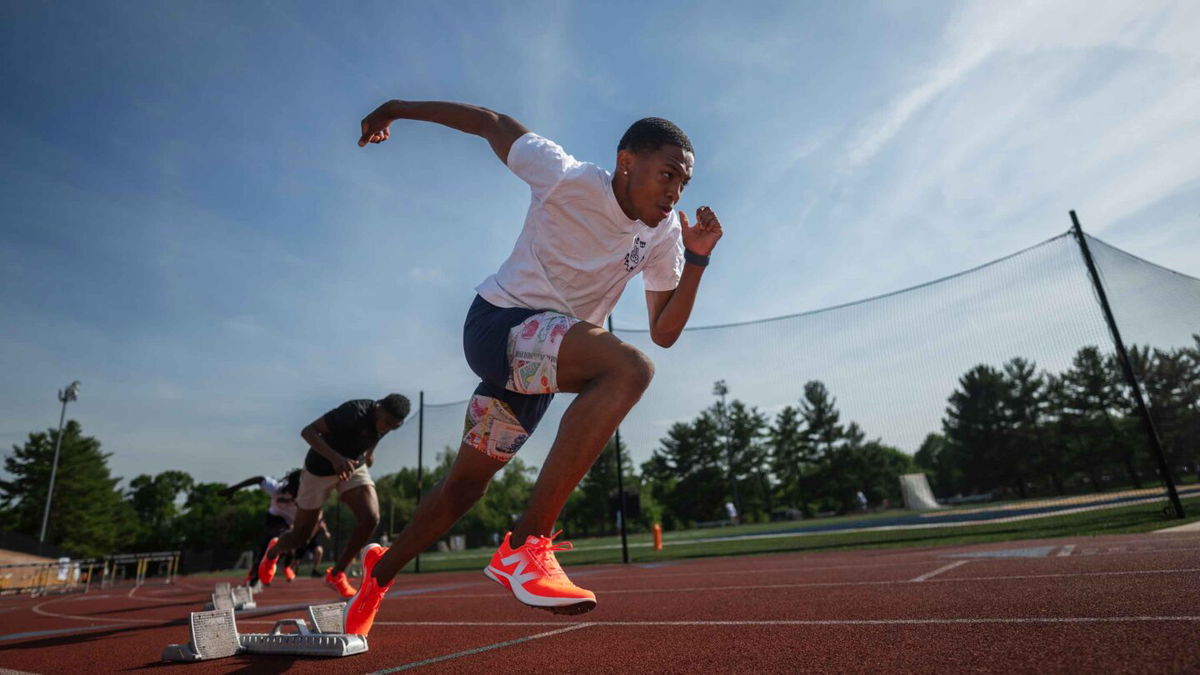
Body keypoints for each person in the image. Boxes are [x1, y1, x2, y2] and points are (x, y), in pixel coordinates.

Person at [344, 99, 724, 635]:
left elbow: (664, 330)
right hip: (500, 327)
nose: (674, 193)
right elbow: (491, 123)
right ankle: (526, 545)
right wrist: (395, 109)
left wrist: (699, 258)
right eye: (666, 175)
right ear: (626, 161)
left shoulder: (663, 236)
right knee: (627, 369)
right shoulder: (564, 176)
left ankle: (377, 577)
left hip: (538, 367)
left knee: (464, 489)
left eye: (683, 184)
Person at [257, 394, 410, 598]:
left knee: (371, 518)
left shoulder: (385, 423)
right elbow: (308, 431)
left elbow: (376, 435)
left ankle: (337, 574)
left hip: (353, 467)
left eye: (394, 426)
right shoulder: (353, 412)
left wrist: (369, 454)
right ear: (378, 407)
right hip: (319, 470)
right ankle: (273, 552)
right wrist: (336, 458)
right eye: (387, 422)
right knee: (300, 537)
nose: (388, 428)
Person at [221, 469, 309, 587]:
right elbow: (259, 479)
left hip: (290, 523)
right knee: (274, 538)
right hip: (275, 518)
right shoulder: (277, 488)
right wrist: (234, 489)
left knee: (284, 547)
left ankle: (264, 568)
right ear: (290, 485)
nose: (295, 494)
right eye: (294, 491)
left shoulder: (305, 494)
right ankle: (256, 573)